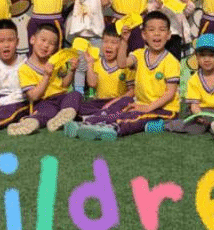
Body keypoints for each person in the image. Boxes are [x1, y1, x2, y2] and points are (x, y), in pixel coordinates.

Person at [72, 11, 180, 140]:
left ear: (168, 35)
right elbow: (122, 64)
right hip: (140, 103)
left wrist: (148, 108)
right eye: (151, 30)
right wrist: (124, 41)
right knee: (122, 104)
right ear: (144, 35)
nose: (157, 33)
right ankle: (89, 122)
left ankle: (111, 128)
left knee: (135, 117)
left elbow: (170, 93)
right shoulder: (139, 54)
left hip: (164, 109)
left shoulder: (171, 61)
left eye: (162, 30)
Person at [11, 23, 80, 136]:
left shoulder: (55, 62)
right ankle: (31, 122)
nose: (46, 45)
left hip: (62, 97)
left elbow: (64, 85)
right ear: (33, 40)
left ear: (55, 48)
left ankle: (64, 115)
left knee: (75, 95)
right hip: (44, 101)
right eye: (43, 40)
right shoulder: (24, 69)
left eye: (51, 43)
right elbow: (33, 96)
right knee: (47, 112)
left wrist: (71, 70)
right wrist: (47, 76)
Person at [64, 0, 111, 92]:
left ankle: (94, 92)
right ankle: (78, 93)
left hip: (97, 36)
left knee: (96, 65)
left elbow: (105, 3)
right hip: (79, 35)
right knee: (80, 65)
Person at [78, 23, 132, 117]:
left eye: (113, 43)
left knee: (127, 104)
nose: (108, 46)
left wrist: (115, 101)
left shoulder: (126, 64)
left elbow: (132, 91)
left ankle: (103, 116)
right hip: (100, 102)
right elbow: (92, 84)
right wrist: (90, 64)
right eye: (105, 41)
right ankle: (102, 115)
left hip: (117, 101)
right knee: (82, 106)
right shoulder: (97, 62)